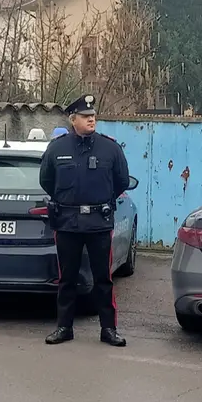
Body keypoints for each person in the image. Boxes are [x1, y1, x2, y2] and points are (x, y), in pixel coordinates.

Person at [39, 94, 131, 346]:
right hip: (67, 222)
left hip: (99, 223)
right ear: (73, 119)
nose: (91, 120)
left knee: (103, 278)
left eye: (93, 116)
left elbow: (121, 180)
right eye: (86, 117)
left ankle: (108, 329)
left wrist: (100, 200)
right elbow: (46, 181)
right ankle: (64, 328)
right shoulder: (57, 148)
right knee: (67, 278)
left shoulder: (110, 148)